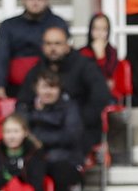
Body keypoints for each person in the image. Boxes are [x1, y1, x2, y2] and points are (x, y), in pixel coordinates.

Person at [17, 26, 112, 154]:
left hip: (79, 131)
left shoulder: (85, 66)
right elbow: (22, 103)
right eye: (48, 44)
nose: (53, 48)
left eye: (57, 43)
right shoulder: (36, 71)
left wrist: (79, 120)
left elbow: (100, 97)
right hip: (43, 131)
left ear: (68, 45)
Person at [0, 0, 69, 98]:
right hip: (14, 88)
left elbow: (65, 56)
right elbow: (1, 57)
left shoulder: (58, 24)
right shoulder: (8, 25)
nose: (35, 3)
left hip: (50, 87)